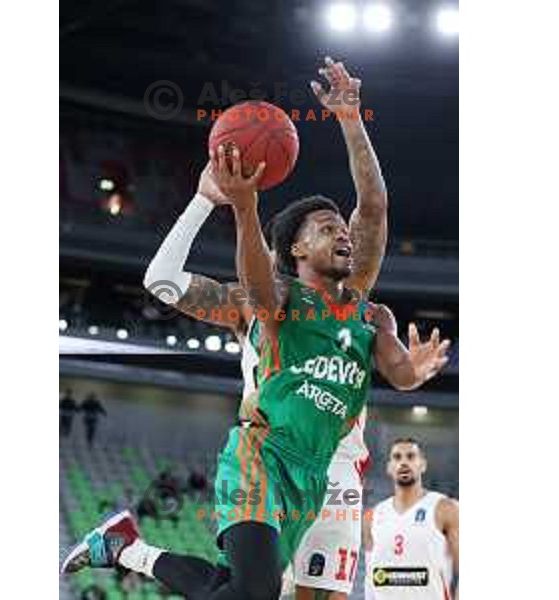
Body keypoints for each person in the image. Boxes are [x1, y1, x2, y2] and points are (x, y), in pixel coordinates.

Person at [61, 57, 450, 600]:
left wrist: (350, 119)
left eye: (343, 229)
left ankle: (128, 550)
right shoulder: (264, 300)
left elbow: (375, 210)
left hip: (331, 468)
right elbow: (165, 281)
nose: (343, 235)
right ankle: (129, 550)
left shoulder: (360, 304)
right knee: (253, 594)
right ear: (290, 249)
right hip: (264, 450)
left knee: (248, 591)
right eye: (326, 228)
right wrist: (213, 200)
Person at [363, 438, 459, 600]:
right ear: (389, 468)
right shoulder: (372, 516)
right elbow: (370, 579)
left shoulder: (446, 508)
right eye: (397, 457)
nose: (404, 462)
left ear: (422, 465)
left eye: (411, 456)